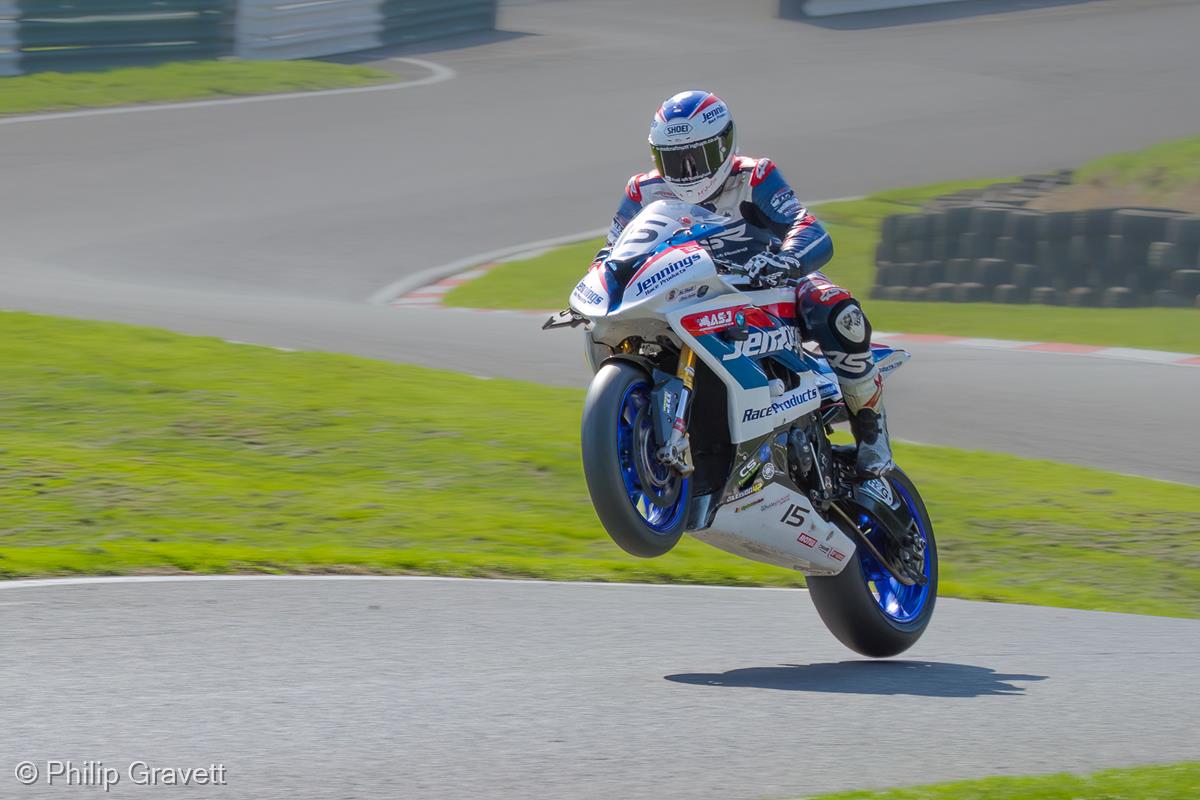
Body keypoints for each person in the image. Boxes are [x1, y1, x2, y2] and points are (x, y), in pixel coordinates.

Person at [591, 90, 892, 476]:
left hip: (762, 285)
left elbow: (804, 223)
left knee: (838, 309)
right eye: (673, 161)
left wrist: (787, 259)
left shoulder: (755, 176)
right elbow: (612, 252)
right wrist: (597, 286)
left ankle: (872, 431)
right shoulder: (643, 191)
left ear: (725, 144)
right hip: (684, 292)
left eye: (697, 158)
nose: (686, 172)